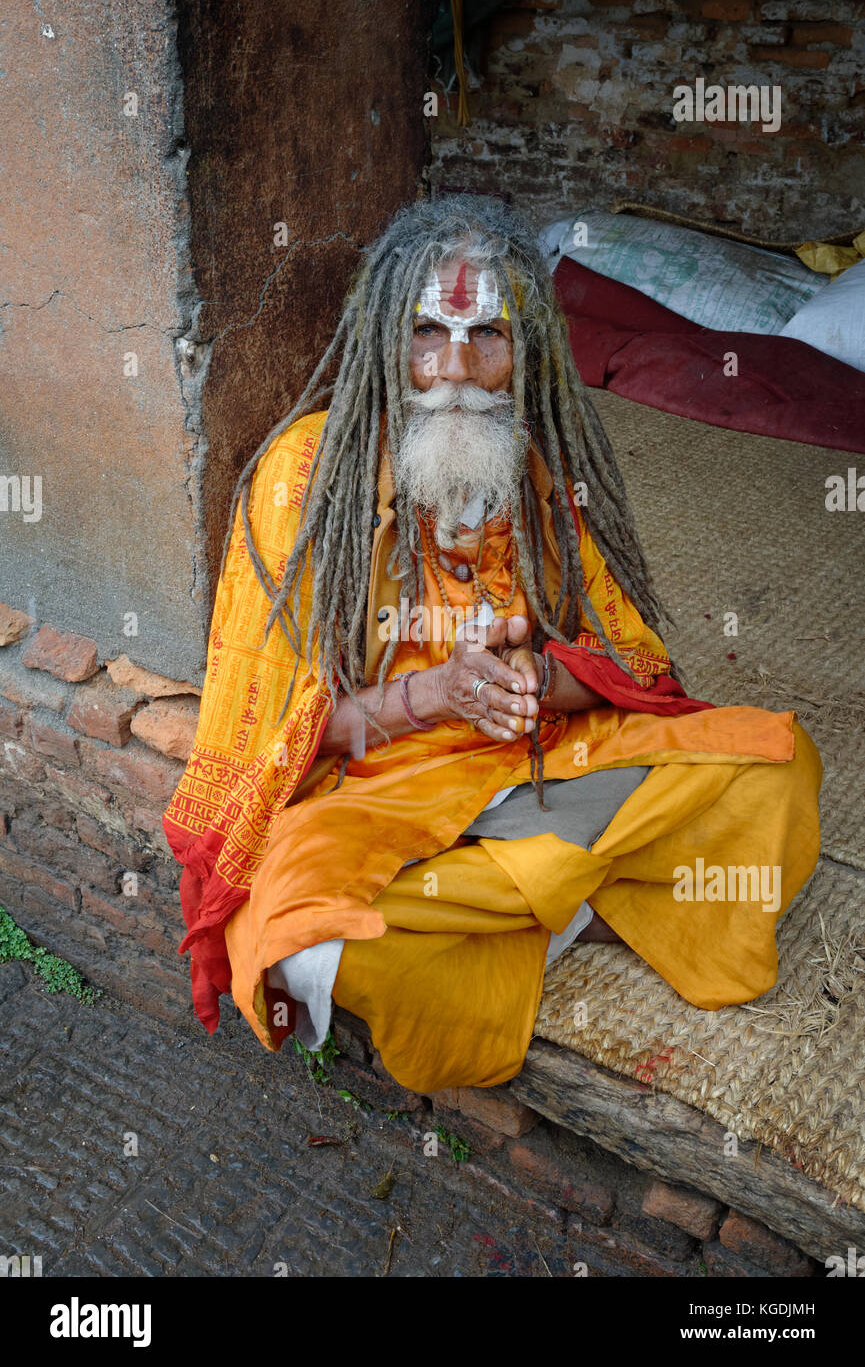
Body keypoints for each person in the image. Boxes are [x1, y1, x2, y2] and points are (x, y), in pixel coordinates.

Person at [163, 194, 821, 1094]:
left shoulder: (538, 466)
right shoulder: (301, 481)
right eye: (427, 333)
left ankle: (533, 903)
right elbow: (269, 742)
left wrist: (537, 676)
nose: (456, 371)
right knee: (302, 939)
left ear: (530, 349)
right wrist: (432, 697)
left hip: (538, 767)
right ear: (382, 342)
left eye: (489, 337)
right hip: (376, 794)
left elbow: (633, 665)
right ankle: (575, 898)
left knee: (775, 768)